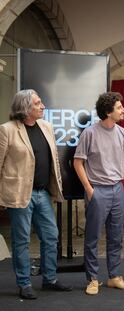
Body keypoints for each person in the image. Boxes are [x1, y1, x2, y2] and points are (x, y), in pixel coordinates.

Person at [74, 92, 124, 295]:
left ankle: (114, 277)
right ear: (108, 112)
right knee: (92, 237)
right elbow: (77, 162)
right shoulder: (89, 133)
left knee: (116, 236)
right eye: (119, 107)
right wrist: (90, 190)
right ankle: (92, 279)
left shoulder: (123, 133)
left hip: (117, 189)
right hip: (97, 190)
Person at [0, 89, 72, 299]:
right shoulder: (7, 130)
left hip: (42, 194)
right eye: (38, 103)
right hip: (19, 193)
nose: (42, 106)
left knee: (51, 236)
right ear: (25, 108)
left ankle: (50, 279)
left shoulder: (46, 126)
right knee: (21, 240)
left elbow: (53, 160)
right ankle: (24, 283)